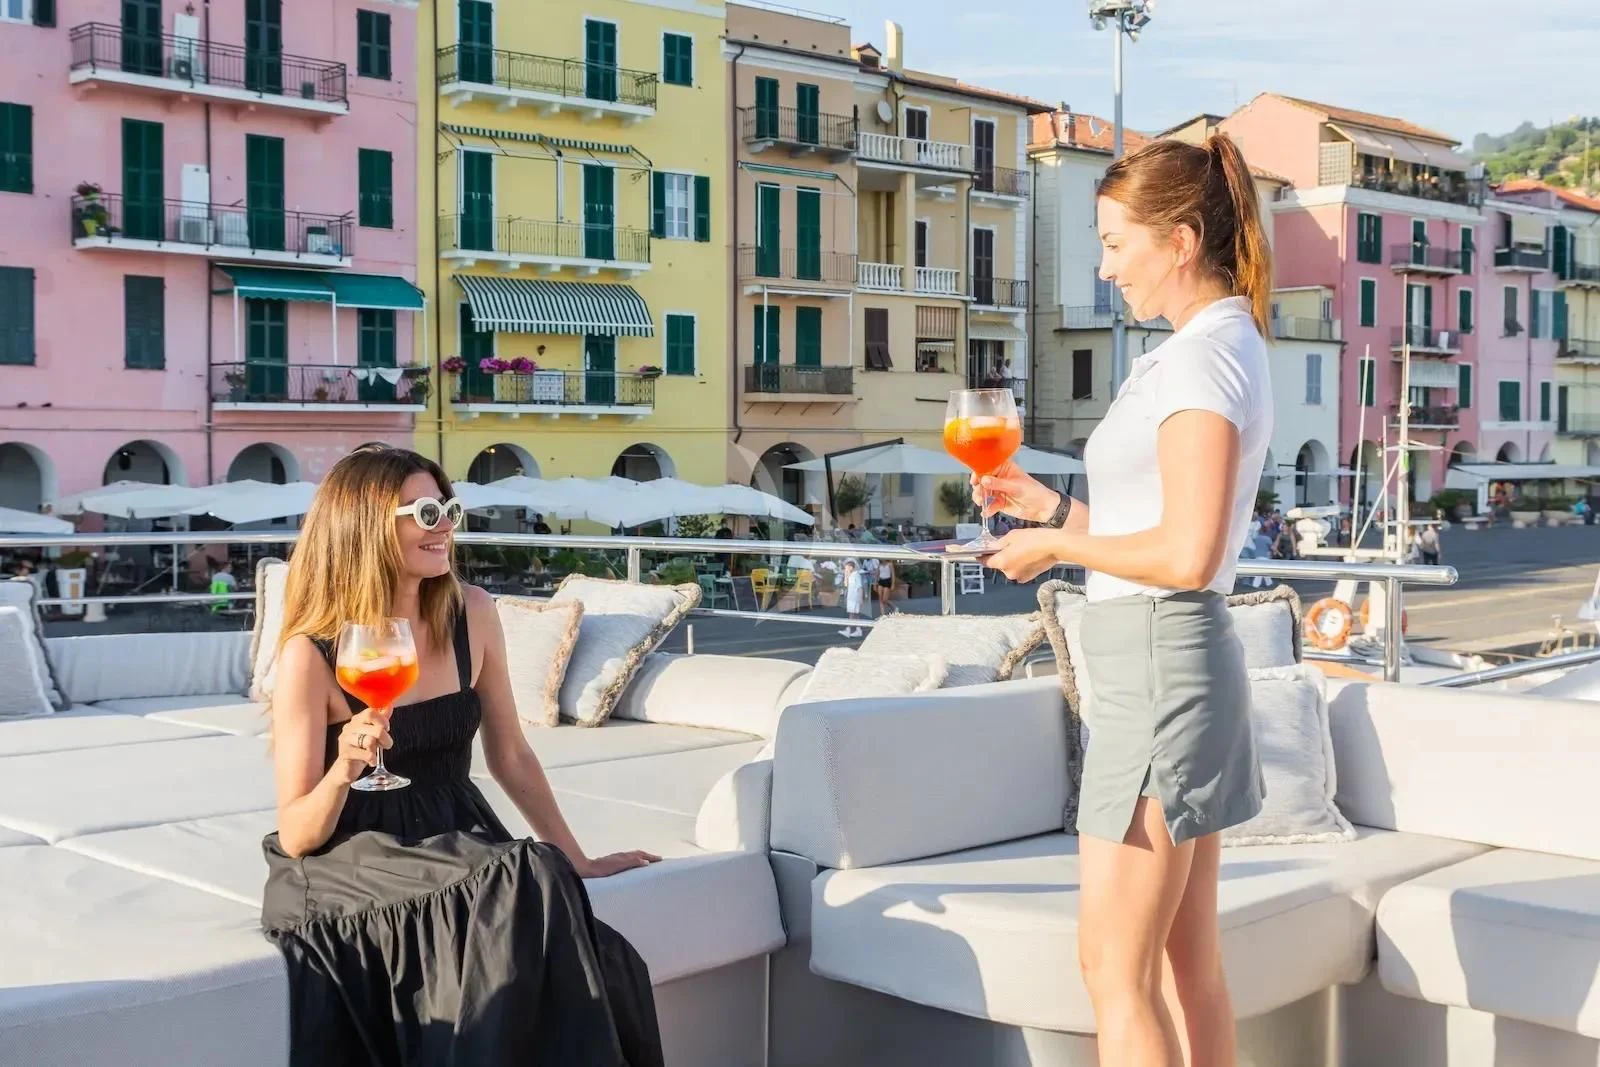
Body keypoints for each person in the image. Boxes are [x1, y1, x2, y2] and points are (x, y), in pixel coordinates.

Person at [975, 132, 1273, 1067]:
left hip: (1157, 670)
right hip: (1178, 662)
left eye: (1114, 244)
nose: (1105, 270)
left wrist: (1059, 543)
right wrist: (1055, 507)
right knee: (1186, 965)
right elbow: (1171, 525)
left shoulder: (1196, 360)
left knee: (1112, 967)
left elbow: (1187, 552)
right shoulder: (1218, 343)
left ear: (1180, 241)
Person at [261, 445, 664, 1066]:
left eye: (449, 507)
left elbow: (510, 754)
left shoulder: (471, 612)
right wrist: (345, 764)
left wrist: (577, 857)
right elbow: (295, 834)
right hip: (356, 850)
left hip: (457, 829)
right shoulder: (310, 653)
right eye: (426, 511)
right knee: (524, 877)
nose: (446, 523)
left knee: (569, 919)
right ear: (367, 525)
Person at [839, 559, 864, 638]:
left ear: (851, 567)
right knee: (855, 614)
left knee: (852, 614)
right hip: (850, 597)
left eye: (846, 568)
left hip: (855, 598)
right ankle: (858, 629)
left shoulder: (856, 575)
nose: (845, 569)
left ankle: (848, 630)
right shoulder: (850, 575)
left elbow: (860, 587)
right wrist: (846, 575)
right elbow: (846, 585)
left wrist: (860, 598)